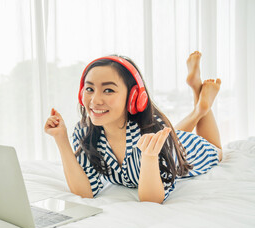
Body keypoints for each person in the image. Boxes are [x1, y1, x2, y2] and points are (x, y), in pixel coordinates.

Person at [44, 51, 222, 204]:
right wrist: (61, 139)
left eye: (108, 90)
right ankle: (199, 108)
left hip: (183, 149)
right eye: (89, 88)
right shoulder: (85, 132)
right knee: (168, 133)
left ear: (134, 97)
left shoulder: (152, 132)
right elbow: (84, 192)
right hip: (163, 137)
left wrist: (150, 157)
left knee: (218, 151)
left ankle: (201, 104)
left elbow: (151, 200)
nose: (95, 100)